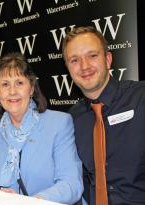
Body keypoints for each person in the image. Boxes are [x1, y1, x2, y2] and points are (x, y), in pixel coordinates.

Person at [0, 52, 83, 204]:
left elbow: (71, 185)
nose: (12, 91)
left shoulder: (59, 124)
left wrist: (32, 201)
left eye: (19, 83)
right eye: (5, 84)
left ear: (31, 88)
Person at [63, 26, 145, 205]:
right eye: (74, 60)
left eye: (92, 56)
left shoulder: (140, 98)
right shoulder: (71, 120)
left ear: (108, 59)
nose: (84, 66)